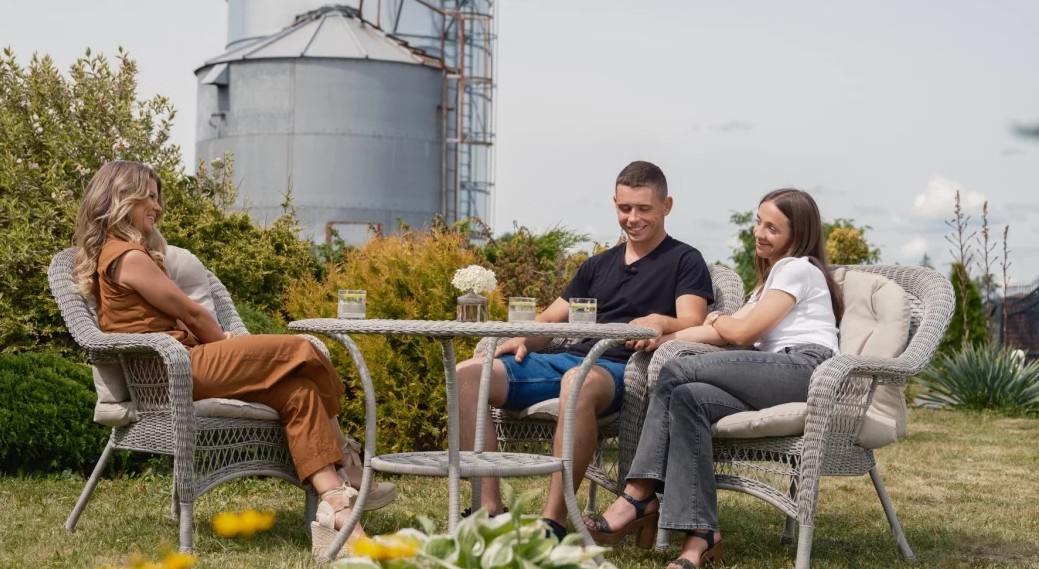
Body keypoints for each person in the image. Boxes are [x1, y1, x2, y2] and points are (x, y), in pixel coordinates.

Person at [72, 160, 394, 555]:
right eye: (150, 196)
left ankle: (338, 511)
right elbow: (191, 313)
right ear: (123, 196)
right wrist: (223, 339)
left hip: (184, 364)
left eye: (159, 197)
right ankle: (349, 459)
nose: (158, 206)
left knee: (299, 390)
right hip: (178, 369)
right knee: (303, 349)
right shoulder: (127, 256)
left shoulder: (122, 255)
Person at [454, 161, 715, 539]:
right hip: (567, 359)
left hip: (624, 369)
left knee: (577, 381)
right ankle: (488, 512)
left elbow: (693, 321)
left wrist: (661, 321)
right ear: (615, 203)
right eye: (625, 208)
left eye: (644, 209)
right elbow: (550, 320)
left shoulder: (684, 260)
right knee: (467, 375)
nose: (633, 218)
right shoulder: (596, 266)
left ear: (666, 206)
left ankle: (553, 523)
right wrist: (525, 338)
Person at [585, 188, 843, 569]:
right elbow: (723, 333)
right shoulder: (768, 281)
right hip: (772, 373)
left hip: (807, 370)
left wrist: (717, 318)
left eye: (772, 228)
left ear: (797, 234)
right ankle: (702, 536)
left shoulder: (797, 268)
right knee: (689, 397)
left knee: (676, 372)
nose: (759, 232)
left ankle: (638, 494)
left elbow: (739, 333)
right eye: (758, 221)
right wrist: (659, 337)